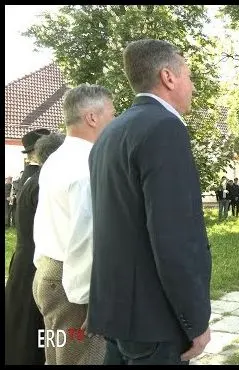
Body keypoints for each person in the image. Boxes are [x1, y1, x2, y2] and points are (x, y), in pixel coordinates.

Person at [87, 39, 212, 365]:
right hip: (155, 321)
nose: (193, 86)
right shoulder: (165, 128)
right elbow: (175, 238)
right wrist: (195, 321)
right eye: (189, 75)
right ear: (169, 77)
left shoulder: (110, 134)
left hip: (117, 314)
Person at [32, 84, 115, 365]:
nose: (114, 122)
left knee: (57, 357)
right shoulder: (85, 165)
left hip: (50, 273)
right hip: (73, 287)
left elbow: (45, 223)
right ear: (92, 117)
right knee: (83, 359)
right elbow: (85, 237)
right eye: (111, 114)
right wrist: (90, 299)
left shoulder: (56, 159)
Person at [5, 132, 64, 365]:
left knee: (23, 322)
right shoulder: (41, 181)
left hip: (25, 256)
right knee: (33, 327)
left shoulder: (30, 178)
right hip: (34, 260)